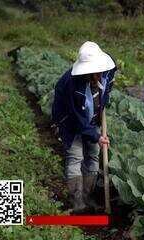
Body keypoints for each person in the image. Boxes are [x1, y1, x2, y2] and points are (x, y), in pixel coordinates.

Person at [52, 41, 117, 213]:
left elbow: (108, 87)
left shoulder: (107, 71)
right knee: (75, 157)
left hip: (92, 118)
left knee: (93, 156)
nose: (96, 77)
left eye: (97, 73)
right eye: (92, 74)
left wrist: (103, 101)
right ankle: (78, 202)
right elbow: (77, 119)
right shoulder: (70, 85)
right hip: (71, 122)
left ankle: (88, 196)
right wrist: (97, 137)